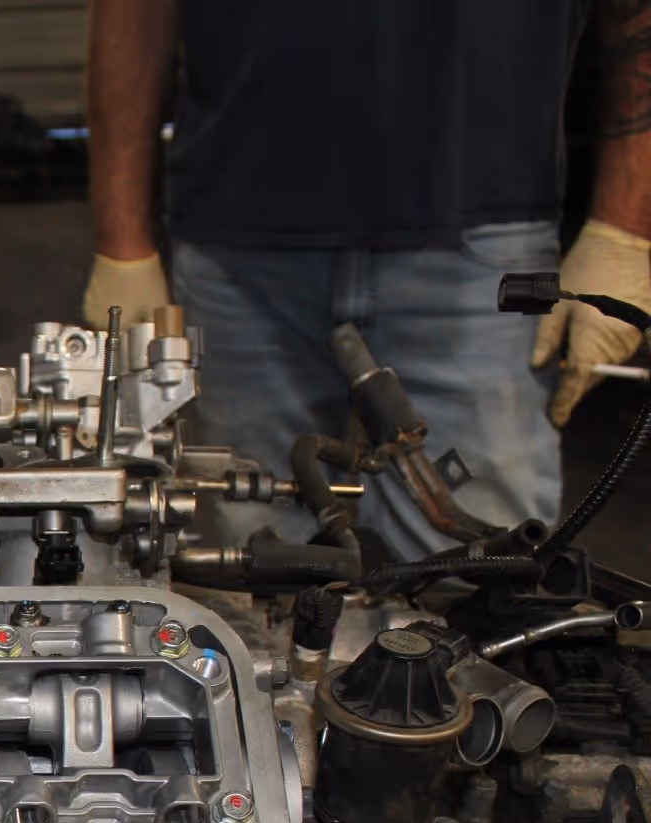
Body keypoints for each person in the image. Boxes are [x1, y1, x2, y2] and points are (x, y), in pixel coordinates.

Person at [81, 0, 651, 561]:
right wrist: (122, 243)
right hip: (238, 248)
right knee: (251, 558)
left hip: (479, 244)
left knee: (477, 569)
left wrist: (623, 228)